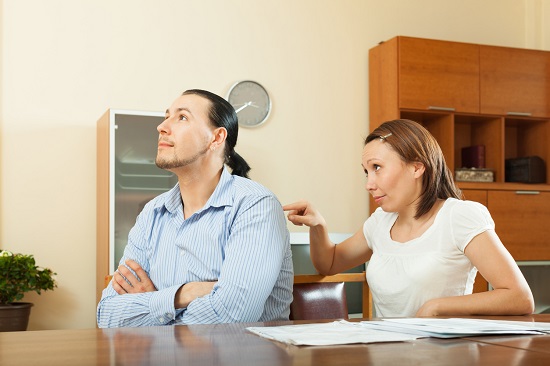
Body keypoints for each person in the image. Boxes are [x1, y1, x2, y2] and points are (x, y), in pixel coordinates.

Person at [284, 119, 534, 317]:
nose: (369, 184)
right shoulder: (380, 221)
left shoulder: (459, 216)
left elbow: (519, 297)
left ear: (416, 167)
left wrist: (437, 307)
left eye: (377, 168)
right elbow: (328, 264)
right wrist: (318, 225)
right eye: (366, 172)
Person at [97, 89, 293, 328]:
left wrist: (154, 302)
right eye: (166, 116)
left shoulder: (254, 204)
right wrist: (184, 294)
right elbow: (107, 314)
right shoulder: (152, 213)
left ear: (217, 138)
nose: (162, 126)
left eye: (182, 118)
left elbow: (233, 316)